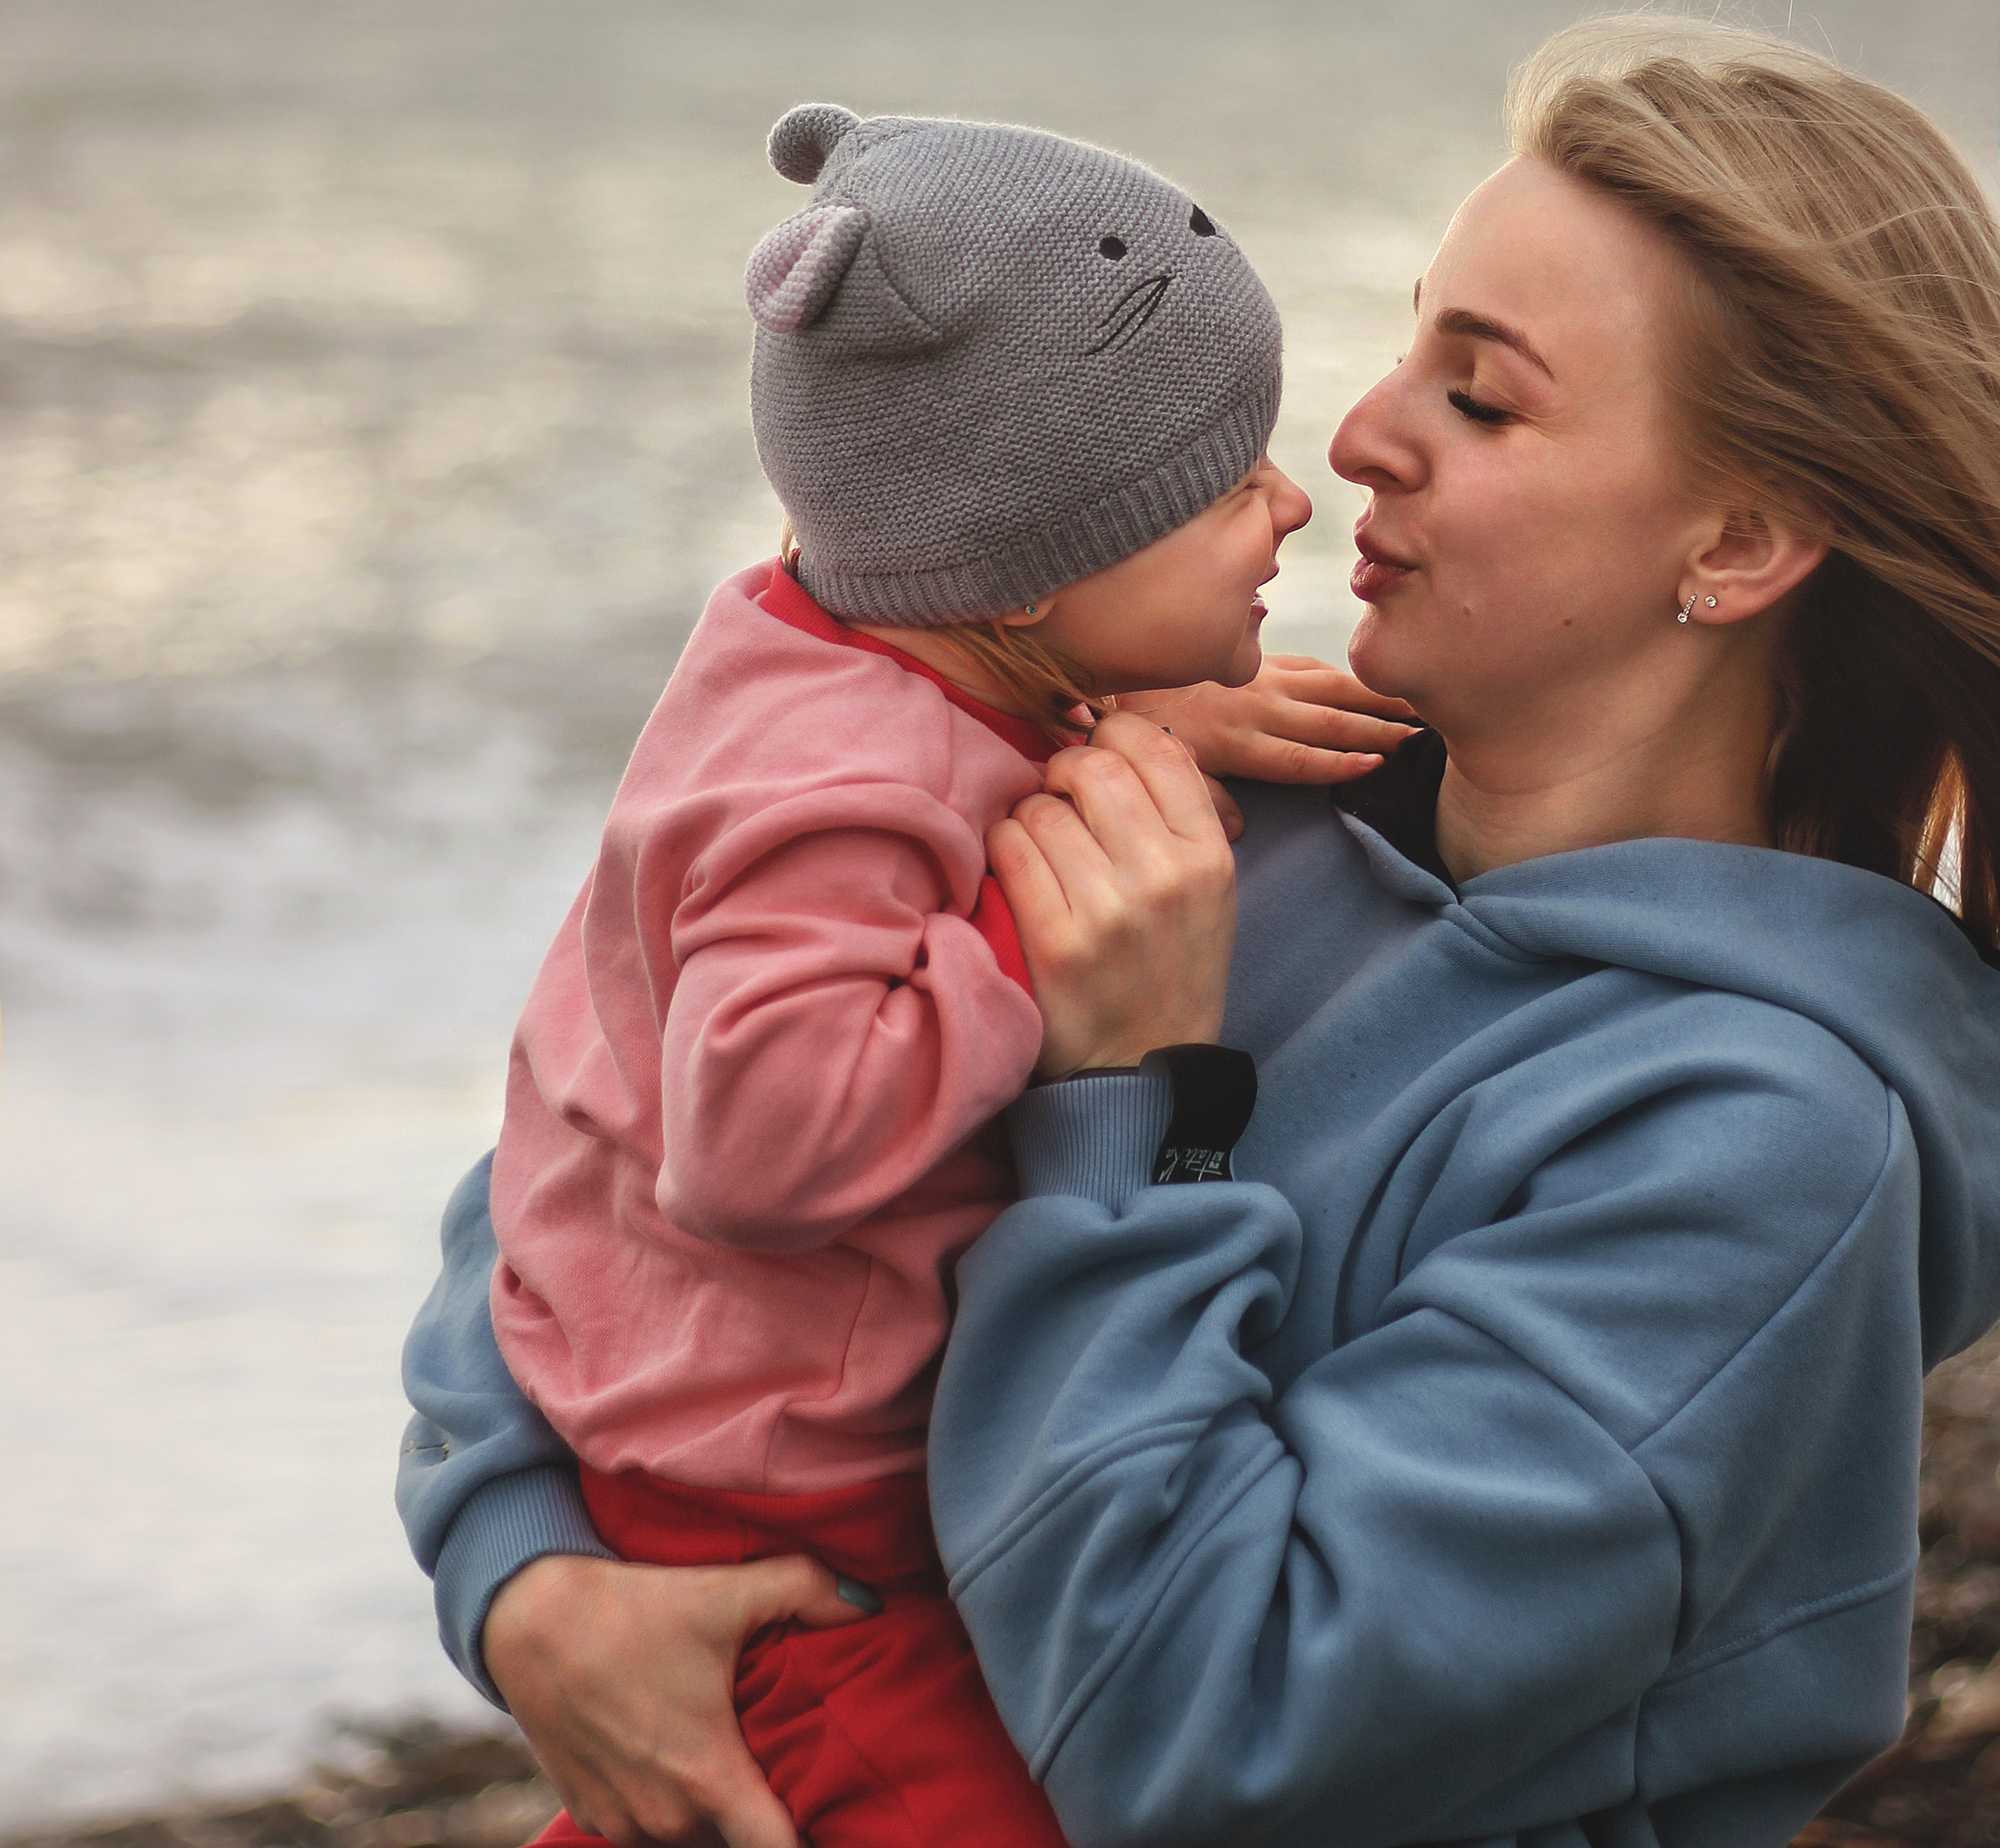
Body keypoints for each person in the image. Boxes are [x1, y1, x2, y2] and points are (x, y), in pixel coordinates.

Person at [400, 18, 2000, 1848]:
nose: (1351, 436)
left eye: (1478, 395)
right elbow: (610, 1148)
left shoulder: (1760, 1141)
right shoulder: (1184, 809)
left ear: (1734, 538)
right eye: (1407, 338)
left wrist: (1134, 1114)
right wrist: (524, 1570)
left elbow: (1211, 1738)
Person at [469, 97, 1398, 1848]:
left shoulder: (873, 656)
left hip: (768, 1459)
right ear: (1030, 567)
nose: (1289, 501)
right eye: (1216, 484)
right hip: (783, 1541)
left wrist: (1122, 710)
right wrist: (1038, 921)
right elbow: (756, 1142)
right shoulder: (822, 787)